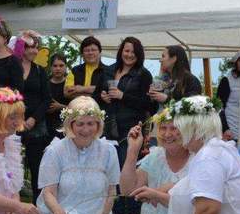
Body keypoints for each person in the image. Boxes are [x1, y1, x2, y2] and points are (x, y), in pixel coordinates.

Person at [121, 109, 193, 214]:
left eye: (174, 128)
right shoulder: (155, 157)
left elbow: (191, 203)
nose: (167, 134)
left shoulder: (198, 158)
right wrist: (133, 151)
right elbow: (127, 190)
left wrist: (159, 194)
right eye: (163, 128)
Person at [37, 96, 120, 214]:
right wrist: (58, 211)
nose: (86, 129)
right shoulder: (55, 151)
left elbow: (111, 193)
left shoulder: (108, 151)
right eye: (80, 124)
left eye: (90, 123)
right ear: (70, 124)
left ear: (98, 124)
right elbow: (48, 192)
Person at [97, 36, 154, 164]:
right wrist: (102, 96)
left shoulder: (143, 74)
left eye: (133, 52)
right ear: (121, 51)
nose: (129, 55)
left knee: (125, 166)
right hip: (107, 127)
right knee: (106, 166)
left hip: (130, 130)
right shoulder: (108, 70)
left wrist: (123, 96)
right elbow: (96, 95)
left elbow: (148, 105)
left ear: (139, 54)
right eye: (127, 51)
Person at [19, 33, 51, 203]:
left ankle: (38, 204)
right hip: (12, 122)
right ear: (21, 48)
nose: (33, 50)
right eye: (29, 47)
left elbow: (46, 99)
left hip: (35, 125)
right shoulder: (12, 67)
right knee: (10, 164)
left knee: (36, 166)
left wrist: (33, 119)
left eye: (35, 47)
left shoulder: (40, 71)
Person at [148, 45, 202, 109]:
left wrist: (167, 99)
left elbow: (192, 105)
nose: (160, 60)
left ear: (173, 59)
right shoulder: (165, 79)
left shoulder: (190, 80)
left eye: (163, 56)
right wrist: (152, 97)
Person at [64, 36, 104, 100]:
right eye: (87, 50)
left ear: (100, 52)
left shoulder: (107, 71)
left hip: (100, 106)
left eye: (93, 50)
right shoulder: (75, 70)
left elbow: (107, 92)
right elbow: (67, 93)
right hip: (76, 106)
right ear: (82, 54)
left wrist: (82, 89)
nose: (90, 53)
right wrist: (94, 92)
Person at [45, 53, 68, 139]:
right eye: (55, 66)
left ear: (65, 67)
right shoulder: (44, 83)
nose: (58, 68)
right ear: (51, 67)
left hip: (65, 127)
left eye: (61, 65)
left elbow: (77, 108)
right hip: (46, 127)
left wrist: (60, 107)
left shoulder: (71, 84)